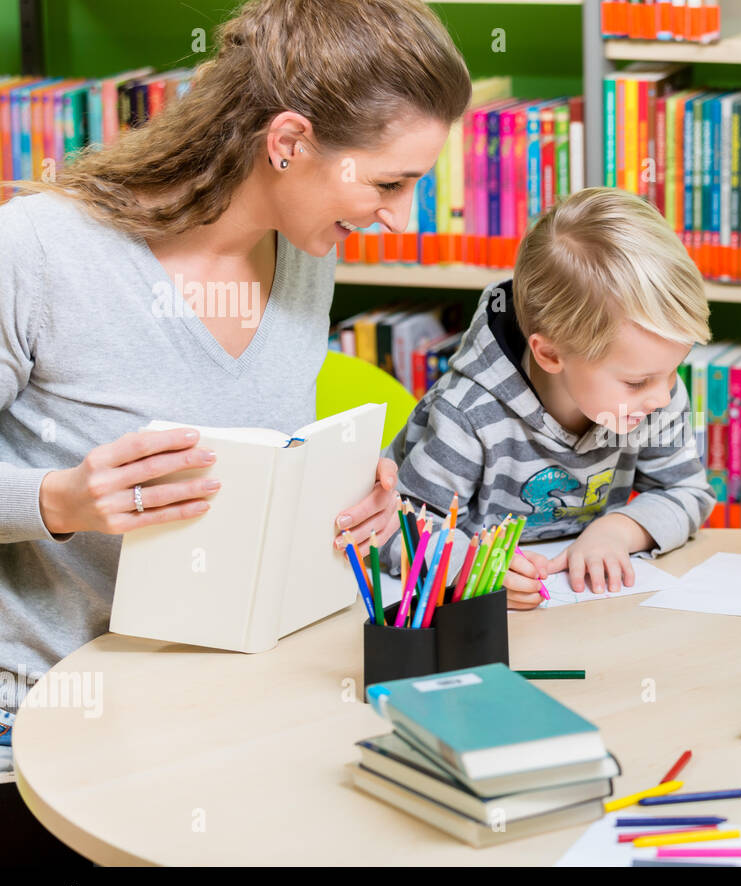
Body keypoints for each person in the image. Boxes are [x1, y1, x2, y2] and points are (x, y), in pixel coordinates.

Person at [0, 0, 470, 812]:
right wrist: (60, 501)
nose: (399, 216)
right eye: (390, 182)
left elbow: (249, 481)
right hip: (49, 718)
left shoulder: (307, 254)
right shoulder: (41, 250)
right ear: (287, 143)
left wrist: (348, 500)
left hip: (229, 695)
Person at [386, 187, 715, 609]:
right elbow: (398, 527)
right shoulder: (468, 414)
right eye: (637, 382)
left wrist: (616, 531)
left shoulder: (654, 393)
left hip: (583, 614)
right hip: (484, 626)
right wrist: (473, 570)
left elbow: (688, 490)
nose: (663, 394)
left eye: (673, 370)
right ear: (550, 354)